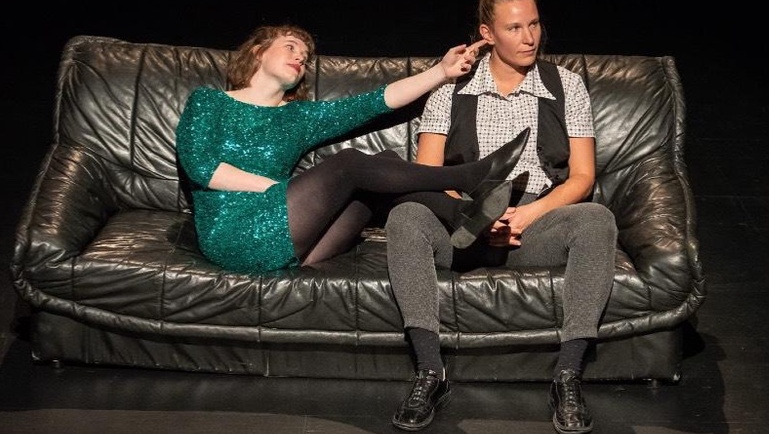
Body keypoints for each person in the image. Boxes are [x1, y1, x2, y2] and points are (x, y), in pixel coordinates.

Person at [384, 0, 618, 434]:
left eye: (534, 25)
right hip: (464, 224)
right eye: (514, 28)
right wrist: (474, 217)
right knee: (405, 215)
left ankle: (568, 376)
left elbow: (584, 177)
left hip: (534, 222)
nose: (529, 37)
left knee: (597, 220)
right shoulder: (452, 90)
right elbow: (427, 176)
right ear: (487, 35)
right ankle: (430, 373)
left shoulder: (565, 85)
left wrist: (531, 213)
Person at [175, 23, 530, 274]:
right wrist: (278, 191)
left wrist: (441, 72)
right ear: (257, 51)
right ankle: (467, 177)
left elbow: (374, 102)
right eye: (290, 47)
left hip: (301, 246)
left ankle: (461, 218)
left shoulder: (299, 116)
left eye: (305, 56)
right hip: (235, 233)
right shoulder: (210, 102)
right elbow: (202, 168)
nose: (301, 57)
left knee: (385, 166)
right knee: (347, 164)